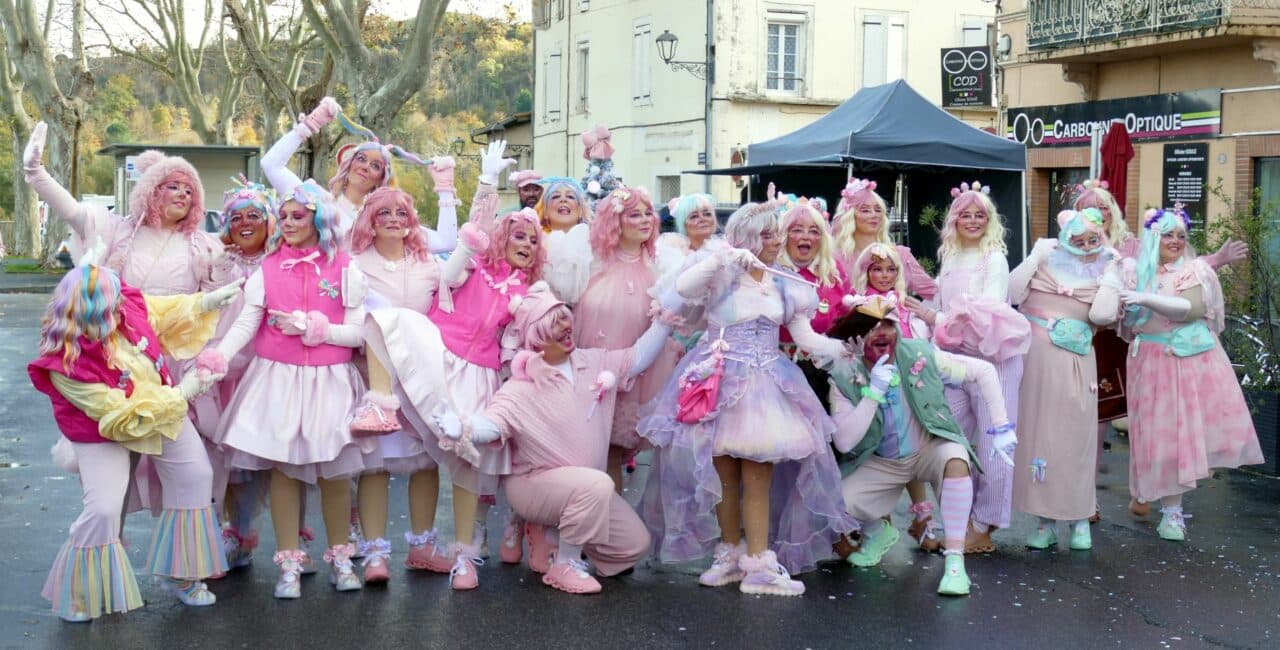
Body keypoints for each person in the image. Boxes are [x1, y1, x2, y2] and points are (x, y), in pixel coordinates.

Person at [639, 202, 855, 597]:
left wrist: (842, 348)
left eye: (777, 234)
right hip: (716, 381)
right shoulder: (720, 271)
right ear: (748, 238)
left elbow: (804, 337)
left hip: (765, 385)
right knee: (723, 474)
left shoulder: (786, 283)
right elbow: (682, 290)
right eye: (768, 235)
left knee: (757, 473)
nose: (777, 241)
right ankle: (729, 555)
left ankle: (758, 562)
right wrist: (722, 259)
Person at [28, 261, 242, 621]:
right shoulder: (64, 363)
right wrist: (184, 392)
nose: (117, 314)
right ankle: (81, 592)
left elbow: (160, 310)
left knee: (195, 476)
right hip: (102, 427)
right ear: (82, 314)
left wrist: (206, 302)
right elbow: (122, 414)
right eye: (107, 310)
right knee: (104, 508)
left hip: (159, 405)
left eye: (117, 305)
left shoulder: (127, 307)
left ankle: (181, 573)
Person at [449, 281, 677, 594]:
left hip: (584, 490)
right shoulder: (521, 386)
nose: (565, 326)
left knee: (634, 545)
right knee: (597, 485)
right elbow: (493, 423)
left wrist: (665, 320)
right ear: (536, 337)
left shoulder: (592, 361)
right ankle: (565, 563)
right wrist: (464, 428)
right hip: (532, 486)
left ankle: (560, 532)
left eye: (564, 318)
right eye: (553, 323)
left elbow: (636, 358)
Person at [203, 180, 370, 598]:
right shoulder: (269, 267)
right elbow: (247, 322)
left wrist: (315, 328)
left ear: (319, 219)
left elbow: (358, 332)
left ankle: (340, 559)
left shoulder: (345, 267)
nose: (289, 223)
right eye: (284, 216)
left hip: (329, 382)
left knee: (335, 473)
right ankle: (289, 564)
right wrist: (220, 356)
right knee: (283, 471)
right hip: (277, 380)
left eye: (298, 216)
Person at [363, 208, 545, 589]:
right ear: (501, 240)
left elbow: (524, 335)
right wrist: (469, 244)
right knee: (386, 323)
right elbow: (447, 277)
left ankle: (464, 557)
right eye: (518, 236)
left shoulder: (529, 291)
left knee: (468, 461)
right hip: (438, 358)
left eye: (533, 240)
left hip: (479, 375)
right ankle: (380, 404)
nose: (526, 245)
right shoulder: (475, 268)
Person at [1092, 208, 1263, 541]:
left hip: (1181, 363)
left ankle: (1172, 514)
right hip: (1146, 362)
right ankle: (1145, 489)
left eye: (1181, 236)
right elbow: (1114, 315)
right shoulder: (1135, 271)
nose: (1176, 241)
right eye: (1168, 235)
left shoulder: (1192, 270)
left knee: (1176, 438)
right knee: (1148, 435)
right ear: (1153, 238)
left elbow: (1192, 309)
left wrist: (1146, 298)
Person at [826, 294, 1015, 596]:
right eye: (872, 326)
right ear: (857, 336)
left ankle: (955, 563)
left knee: (956, 459)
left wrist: (1002, 426)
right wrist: (872, 394)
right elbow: (845, 441)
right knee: (831, 502)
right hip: (883, 462)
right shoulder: (844, 375)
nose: (881, 332)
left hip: (929, 448)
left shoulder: (919, 353)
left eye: (888, 323)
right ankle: (876, 531)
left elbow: (984, 371)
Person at [904, 181, 1029, 553]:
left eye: (980, 215)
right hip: (957, 359)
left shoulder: (994, 259)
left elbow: (986, 312)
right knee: (948, 436)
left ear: (990, 221)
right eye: (966, 215)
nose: (973, 221)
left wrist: (933, 316)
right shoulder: (950, 257)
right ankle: (963, 517)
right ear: (954, 220)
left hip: (995, 359)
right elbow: (938, 303)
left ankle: (983, 527)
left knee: (994, 442)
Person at [346, 185, 452, 583]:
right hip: (375, 379)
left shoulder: (429, 264)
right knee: (375, 464)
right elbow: (350, 316)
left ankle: (423, 547)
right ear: (370, 222)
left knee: (426, 462)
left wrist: (451, 191)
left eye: (401, 213)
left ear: (411, 222)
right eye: (384, 213)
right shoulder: (355, 263)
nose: (393, 219)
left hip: (422, 377)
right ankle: (375, 553)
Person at [1008, 209, 1117, 550]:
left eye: (1092, 239)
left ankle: (1080, 519)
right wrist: (1034, 256)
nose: (1085, 245)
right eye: (1078, 239)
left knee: (1075, 443)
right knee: (1041, 442)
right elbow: (1011, 293)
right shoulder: (1043, 263)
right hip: (1036, 367)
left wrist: (1113, 276)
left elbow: (1102, 315)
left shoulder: (1106, 271)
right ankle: (1045, 522)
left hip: (1074, 368)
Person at [193, 178, 277, 571]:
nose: (245, 223)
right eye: (237, 217)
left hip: (263, 370)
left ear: (269, 220)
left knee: (252, 462)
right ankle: (216, 534)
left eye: (254, 215)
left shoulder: (279, 259)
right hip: (222, 367)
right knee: (220, 456)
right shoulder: (216, 259)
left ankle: (244, 533)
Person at [573, 187, 667, 491]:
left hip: (633, 375)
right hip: (589, 367)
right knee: (586, 454)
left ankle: (610, 517)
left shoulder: (658, 267)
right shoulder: (592, 262)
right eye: (634, 215)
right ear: (616, 221)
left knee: (612, 453)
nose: (645, 220)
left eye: (648, 213)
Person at [830, 177, 937, 299]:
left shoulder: (900, 254)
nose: (874, 215)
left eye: (878, 210)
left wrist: (923, 310)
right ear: (849, 216)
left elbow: (934, 293)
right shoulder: (834, 258)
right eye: (865, 210)